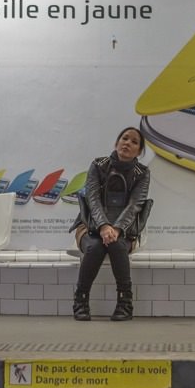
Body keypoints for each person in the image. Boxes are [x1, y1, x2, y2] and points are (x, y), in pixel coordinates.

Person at [70, 127, 151, 321]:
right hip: (90, 226)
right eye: (124, 138)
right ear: (116, 143)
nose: (127, 143)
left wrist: (116, 228)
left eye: (134, 142)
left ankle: (125, 303)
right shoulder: (98, 165)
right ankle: (80, 300)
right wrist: (104, 226)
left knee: (116, 246)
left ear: (139, 151)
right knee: (95, 247)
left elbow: (135, 205)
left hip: (125, 230)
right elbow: (93, 199)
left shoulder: (143, 173)